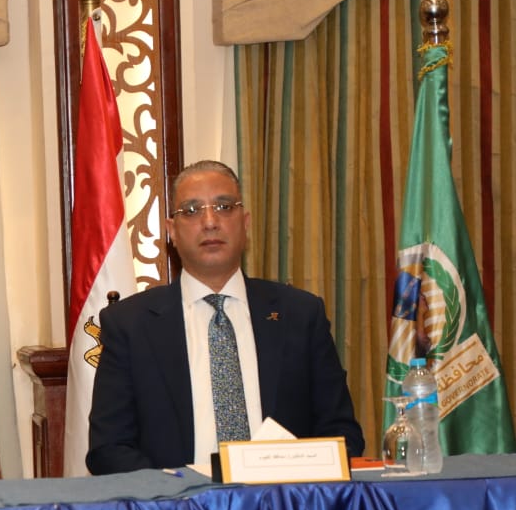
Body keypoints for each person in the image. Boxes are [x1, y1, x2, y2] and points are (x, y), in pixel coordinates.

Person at [86, 160, 365, 473]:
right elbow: (109, 449)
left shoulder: (300, 314)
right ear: (171, 231)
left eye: (224, 207)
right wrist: (179, 491)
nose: (210, 222)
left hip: (282, 498)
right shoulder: (129, 324)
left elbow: (342, 434)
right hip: (177, 500)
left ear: (245, 224)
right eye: (191, 210)